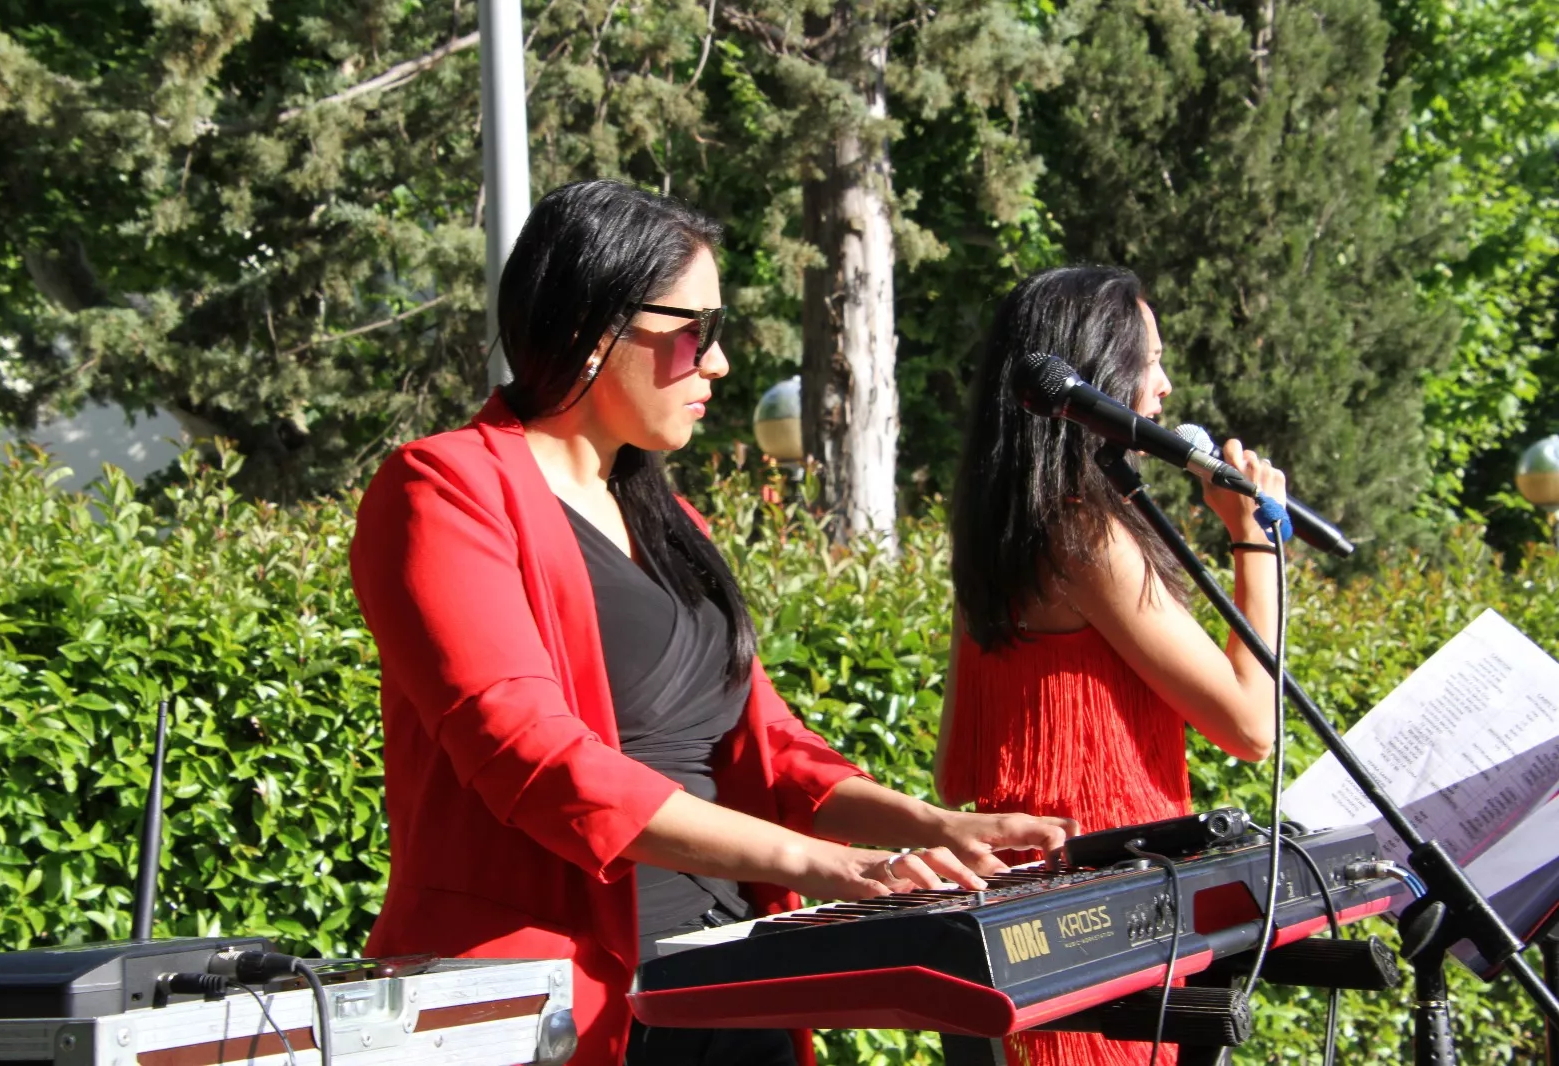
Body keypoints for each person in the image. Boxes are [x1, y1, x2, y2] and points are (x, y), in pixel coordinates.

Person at [348, 179, 1076, 1066]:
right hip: (557, 1010)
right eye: (697, 331)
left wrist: (929, 826)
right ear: (593, 327)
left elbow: (770, 749)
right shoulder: (442, 490)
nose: (719, 362)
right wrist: (834, 867)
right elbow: (532, 759)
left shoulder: (669, 519)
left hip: (729, 981)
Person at [936, 266, 1286, 1066]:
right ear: (1091, 377)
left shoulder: (1003, 534)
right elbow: (1251, 726)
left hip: (1038, 912)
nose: (1162, 388)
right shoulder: (1083, 533)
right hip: (1103, 913)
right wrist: (1253, 538)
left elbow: (955, 768)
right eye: (1147, 362)